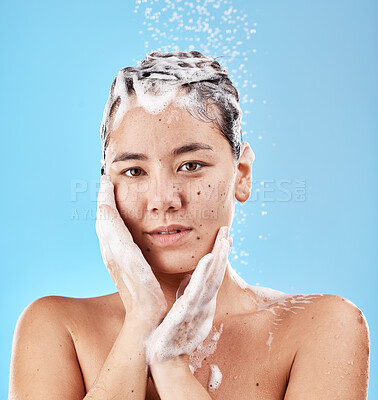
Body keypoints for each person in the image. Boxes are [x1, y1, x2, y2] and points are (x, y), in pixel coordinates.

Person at [9, 51, 370, 400]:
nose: (163, 199)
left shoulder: (321, 327)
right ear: (107, 190)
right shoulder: (57, 328)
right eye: (134, 171)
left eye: (191, 165)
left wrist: (171, 365)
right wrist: (140, 321)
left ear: (241, 174)